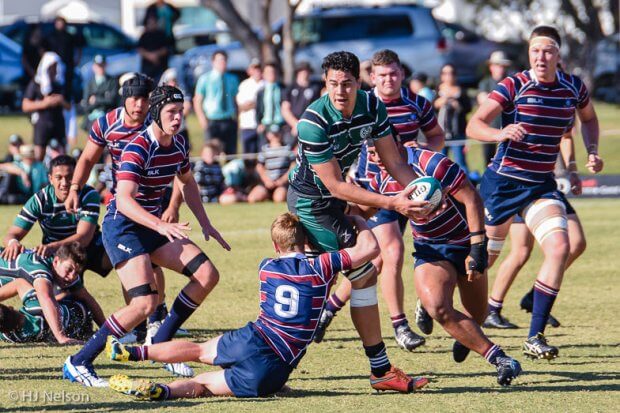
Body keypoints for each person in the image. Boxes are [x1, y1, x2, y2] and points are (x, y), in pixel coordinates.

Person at [105, 212, 425, 399]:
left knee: (200, 350)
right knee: (202, 385)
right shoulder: (323, 266)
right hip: (274, 369)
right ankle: (163, 390)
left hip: (254, 339)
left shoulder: (266, 267)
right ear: (308, 241)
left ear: (275, 246)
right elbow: (369, 249)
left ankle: (134, 352)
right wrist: (358, 221)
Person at [63, 86, 230, 387]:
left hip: (152, 226)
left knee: (207, 275)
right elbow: (124, 199)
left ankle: (161, 346)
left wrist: (206, 222)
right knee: (144, 304)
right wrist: (159, 224)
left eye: (181, 112)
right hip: (123, 226)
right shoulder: (138, 147)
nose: (178, 118)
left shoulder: (178, 144)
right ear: (156, 113)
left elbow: (187, 181)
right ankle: (78, 361)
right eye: (171, 113)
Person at [288, 50, 433, 392]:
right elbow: (334, 184)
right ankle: (377, 370)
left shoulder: (373, 107)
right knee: (356, 275)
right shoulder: (312, 121)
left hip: (335, 202)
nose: (340, 92)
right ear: (324, 84)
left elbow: (395, 163)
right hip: (311, 203)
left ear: (360, 82)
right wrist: (392, 203)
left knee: (344, 279)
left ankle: (378, 369)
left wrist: (418, 194)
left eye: (347, 84)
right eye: (333, 84)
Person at [466, 25, 604, 360]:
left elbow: (588, 119)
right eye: (535, 51)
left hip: (540, 185)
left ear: (558, 55)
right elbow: (474, 124)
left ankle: (535, 336)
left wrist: (591, 151)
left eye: (548, 51)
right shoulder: (514, 84)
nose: (541, 57)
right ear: (529, 54)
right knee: (480, 261)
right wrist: (500, 134)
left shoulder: (573, 87)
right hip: (502, 184)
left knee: (562, 246)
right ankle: (440, 307)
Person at [315, 50, 445, 351]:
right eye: (382, 75)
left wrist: (421, 147)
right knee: (392, 251)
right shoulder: (363, 104)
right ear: (371, 78)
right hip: (375, 191)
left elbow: (437, 136)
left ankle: (330, 309)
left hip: (411, 188)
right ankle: (400, 326)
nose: (388, 79)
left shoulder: (416, 104)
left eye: (394, 73)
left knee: (377, 261)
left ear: (402, 74)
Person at [364, 143, 522, 386]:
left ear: (394, 143)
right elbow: (363, 209)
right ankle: (502, 360)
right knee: (439, 306)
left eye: (376, 152)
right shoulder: (381, 180)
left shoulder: (431, 163)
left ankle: (465, 336)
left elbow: (471, 198)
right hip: (431, 249)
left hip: (466, 243)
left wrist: (478, 247)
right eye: (370, 154)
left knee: (477, 316)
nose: (373, 159)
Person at [65, 73, 182, 345]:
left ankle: (155, 319)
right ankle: (140, 321)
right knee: (130, 260)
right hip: (124, 205)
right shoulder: (106, 123)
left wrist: (174, 205)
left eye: (144, 99)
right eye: (134, 98)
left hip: (155, 202)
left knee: (153, 261)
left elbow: (180, 169)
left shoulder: (158, 123)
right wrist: (74, 189)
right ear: (124, 99)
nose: (139, 105)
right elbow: (86, 158)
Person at [483, 129, 590, 329]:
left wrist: (572, 168)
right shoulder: (524, 99)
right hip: (517, 182)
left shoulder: (569, 98)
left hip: (544, 185)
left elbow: (566, 136)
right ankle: (489, 307)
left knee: (576, 242)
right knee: (520, 251)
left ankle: (535, 296)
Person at [1, 155, 112, 279]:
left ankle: (135, 292)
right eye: (58, 177)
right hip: (55, 252)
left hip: (87, 246)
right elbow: (12, 234)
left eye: (69, 177)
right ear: (50, 179)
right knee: (64, 295)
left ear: (76, 177)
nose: (64, 183)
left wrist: (52, 247)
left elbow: (84, 238)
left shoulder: (88, 195)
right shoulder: (40, 199)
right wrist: (13, 243)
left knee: (119, 253)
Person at [0, 242, 103, 344]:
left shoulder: (63, 269)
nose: (72, 276)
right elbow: (46, 298)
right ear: (56, 261)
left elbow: (87, 298)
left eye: (76, 272)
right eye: (69, 270)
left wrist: (107, 329)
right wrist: (60, 336)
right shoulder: (40, 271)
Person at [22, 51, 69, 161]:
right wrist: (45, 103)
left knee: (61, 155)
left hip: (58, 122)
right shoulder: (36, 83)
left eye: (55, 66)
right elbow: (25, 105)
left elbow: (69, 106)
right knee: (39, 154)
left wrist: (61, 101)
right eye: (51, 67)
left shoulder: (60, 84)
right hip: (42, 123)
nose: (54, 70)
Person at [193, 50, 239, 155]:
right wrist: (202, 120)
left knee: (231, 153)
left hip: (228, 120)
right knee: (212, 153)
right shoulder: (204, 79)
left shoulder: (232, 79)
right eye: (219, 60)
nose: (222, 63)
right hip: (212, 120)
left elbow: (235, 100)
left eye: (224, 60)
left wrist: (237, 118)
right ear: (213, 62)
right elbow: (197, 101)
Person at [477, 51, 512, 166]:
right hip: (489, 129)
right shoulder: (485, 83)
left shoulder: (510, 83)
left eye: (502, 65)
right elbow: (482, 100)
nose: (500, 68)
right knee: (488, 161)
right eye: (497, 65)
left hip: (507, 129)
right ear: (491, 66)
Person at [435, 63, 471, 173]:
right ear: (441, 75)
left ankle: (465, 187)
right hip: (440, 134)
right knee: (439, 163)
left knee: (461, 163)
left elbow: (468, 108)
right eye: (445, 73)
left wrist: (458, 104)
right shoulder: (436, 90)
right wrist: (439, 102)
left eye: (451, 73)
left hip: (457, 133)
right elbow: (430, 108)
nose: (448, 76)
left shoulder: (462, 91)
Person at [247, 125, 295, 203]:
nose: (275, 135)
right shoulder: (264, 149)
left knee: (279, 199)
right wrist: (266, 180)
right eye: (273, 133)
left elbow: (293, 166)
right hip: (267, 183)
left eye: (277, 133)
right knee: (252, 199)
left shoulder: (287, 149)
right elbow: (259, 167)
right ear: (268, 135)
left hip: (282, 184)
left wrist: (282, 180)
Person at [281, 61, 321, 145]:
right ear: (297, 72)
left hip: (310, 126)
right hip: (292, 128)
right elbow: (285, 110)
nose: (304, 73)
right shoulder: (289, 88)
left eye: (306, 71)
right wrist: (296, 124)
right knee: (290, 153)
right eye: (302, 71)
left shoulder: (316, 87)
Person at [47, 16, 83, 99]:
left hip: (67, 65)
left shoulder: (69, 37)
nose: (60, 25)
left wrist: (77, 60)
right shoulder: (51, 37)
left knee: (67, 85)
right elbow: (44, 50)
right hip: (54, 66)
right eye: (58, 23)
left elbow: (79, 47)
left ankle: (66, 100)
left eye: (62, 23)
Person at [82, 55, 118, 133]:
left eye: (102, 65)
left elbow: (112, 101)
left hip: (107, 118)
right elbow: (86, 105)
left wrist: (96, 100)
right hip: (92, 119)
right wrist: (104, 99)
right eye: (98, 66)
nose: (100, 68)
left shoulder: (112, 81)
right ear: (94, 67)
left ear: (106, 65)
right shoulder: (89, 83)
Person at [236, 59, 263, 154]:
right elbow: (241, 106)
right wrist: (258, 104)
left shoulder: (266, 84)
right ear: (249, 70)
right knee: (248, 155)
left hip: (262, 126)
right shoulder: (244, 85)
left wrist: (253, 104)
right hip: (247, 124)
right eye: (254, 69)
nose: (257, 71)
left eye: (259, 69)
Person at [159, 68, 192, 143]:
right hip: (165, 128)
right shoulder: (160, 95)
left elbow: (187, 105)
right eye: (171, 81)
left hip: (180, 128)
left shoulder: (180, 92)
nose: (173, 84)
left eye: (174, 81)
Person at [138, 15, 173, 82]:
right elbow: (140, 49)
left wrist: (156, 55)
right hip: (147, 67)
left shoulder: (162, 34)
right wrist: (150, 56)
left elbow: (166, 48)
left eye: (153, 22)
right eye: (150, 23)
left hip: (161, 66)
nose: (152, 24)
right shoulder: (144, 35)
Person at [256, 62, 285, 137]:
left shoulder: (283, 89)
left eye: (273, 72)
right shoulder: (261, 92)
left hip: (281, 125)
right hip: (265, 125)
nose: (271, 74)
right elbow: (258, 109)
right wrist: (259, 124)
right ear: (263, 74)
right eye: (268, 72)